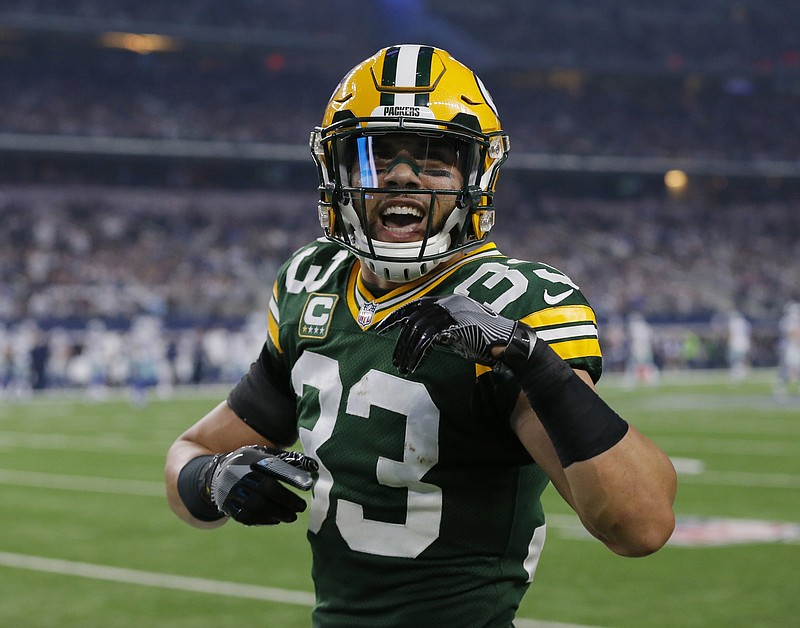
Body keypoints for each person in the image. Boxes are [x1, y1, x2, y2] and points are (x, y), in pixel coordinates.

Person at [165, 44, 677, 627]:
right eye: (376, 155)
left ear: (474, 178)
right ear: (338, 174)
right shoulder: (314, 284)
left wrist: (533, 360)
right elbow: (192, 452)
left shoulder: (516, 299)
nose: (403, 175)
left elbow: (641, 526)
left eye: (434, 158)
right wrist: (214, 479)